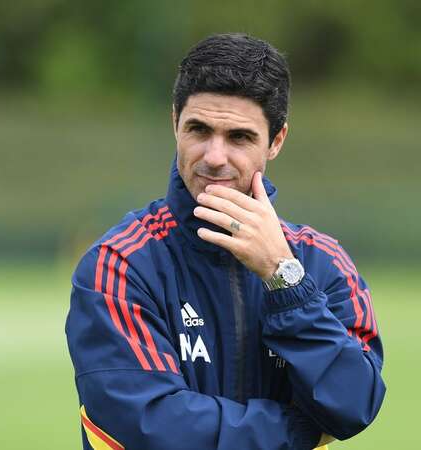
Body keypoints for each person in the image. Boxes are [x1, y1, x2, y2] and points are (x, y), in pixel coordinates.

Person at [65, 33, 385, 450]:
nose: (215, 156)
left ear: (276, 141)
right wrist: (302, 431)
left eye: (239, 137)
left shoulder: (321, 262)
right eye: (199, 129)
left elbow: (354, 403)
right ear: (174, 122)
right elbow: (151, 427)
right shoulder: (119, 264)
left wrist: (284, 279)